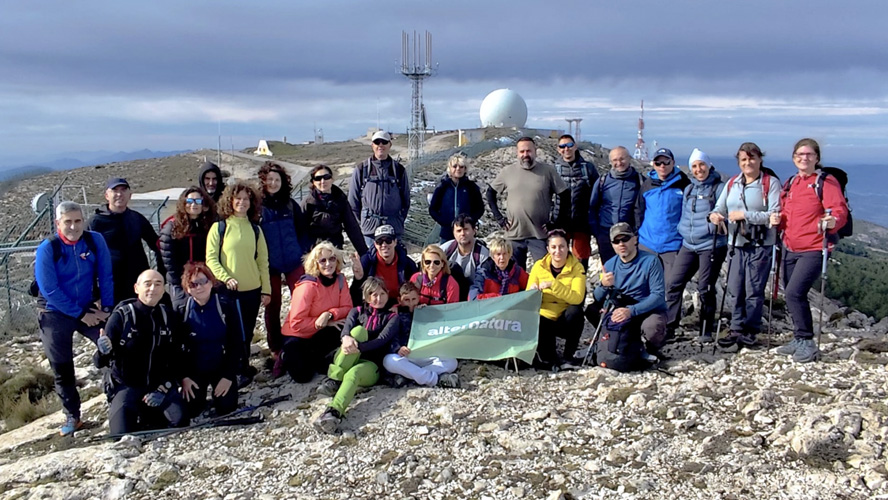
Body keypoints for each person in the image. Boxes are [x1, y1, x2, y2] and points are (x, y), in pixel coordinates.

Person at [35, 201, 115, 436]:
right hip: (55, 311)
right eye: (67, 222)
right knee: (62, 366)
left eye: (78, 221)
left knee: (113, 348)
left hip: (88, 307)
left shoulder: (94, 240)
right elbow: (49, 289)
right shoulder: (48, 248)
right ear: (58, 223)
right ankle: (73, 416)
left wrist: (107, 309)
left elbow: (106, 274)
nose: (73, 226)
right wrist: (81, 314)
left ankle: (118, 401)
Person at [772, 138, 849, 363]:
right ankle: (799, 337)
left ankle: (807, 341)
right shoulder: (791, 183)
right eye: (800, 154)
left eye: (809, 154)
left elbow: (839, 209)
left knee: (796, 292)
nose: (804, 158)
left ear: (816, 158)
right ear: (794, 157)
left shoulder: (825, 181)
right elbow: (788, 211)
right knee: (791, 293)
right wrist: (778, 219)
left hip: (815, 247)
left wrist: (834, 220)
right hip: (790, 245)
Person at [95, 270, 187, 435]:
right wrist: (102, 351)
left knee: (180, 420)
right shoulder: (122, 316)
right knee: (120, 434)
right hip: (126, 385)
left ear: (163, 289)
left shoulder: (168, 316)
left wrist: (164, 387)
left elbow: (176, 358)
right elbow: (99, 362)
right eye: (148, 284)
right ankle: (138, 411)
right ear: (136, 288)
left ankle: (148, 413)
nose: (153, 288)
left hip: (157, 385)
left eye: (158, 284)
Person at [709, 142, 781, 348]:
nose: (748, 162)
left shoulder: (770, 184)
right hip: (735, 244)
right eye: (743, 159)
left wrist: (745, 215)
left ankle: (750, 330)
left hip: (760, 245)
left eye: (752, 158)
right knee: (734, 288)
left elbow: (774, 214)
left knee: (753, 290)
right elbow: (719, 207)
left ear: (760, 160)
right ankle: (736, 328)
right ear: (739, 162)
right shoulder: (732, 183)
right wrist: (714, 215)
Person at [313, 277, 401, 434]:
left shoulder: (392, 317)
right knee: (357, 331)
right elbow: (345, 330)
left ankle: (333, 412)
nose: (378, 298)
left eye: (382, 294)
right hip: (348, 356)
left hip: (371, 364)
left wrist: (357, 347)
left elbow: (382, 340)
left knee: (353, 374)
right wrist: (346, 338)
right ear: (366, 296)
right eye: (373, 294)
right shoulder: (356, 311)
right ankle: (335, 379)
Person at [205, 181, 271, 385]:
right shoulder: (219, 227)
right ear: (230, 201)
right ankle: (232, 370)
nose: (242, 202)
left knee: (247, 331)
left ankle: (243, 367)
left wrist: (266, 289)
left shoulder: (255, 229)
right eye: (238, 199)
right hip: (229, 291)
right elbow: (211, 259)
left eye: (246, 199)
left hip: (252, 290)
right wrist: (226, 278)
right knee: (233, 333)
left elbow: (262, 261)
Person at [665, 149, 727, 342]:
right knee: (674, 283)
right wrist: (682, 229)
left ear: (709, 166)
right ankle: (669, 327)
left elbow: (725, 214)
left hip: (711, 244)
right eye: (694, 166)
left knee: (705, 287)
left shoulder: (719, 188)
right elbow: (685, 213)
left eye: (702, 165)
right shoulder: (689, 189)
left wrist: (711, 226)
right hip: (688, 243)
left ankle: (706, 330)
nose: (699, 169)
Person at [486, 137, 569, 270]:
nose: (526, 155)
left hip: (539, 234)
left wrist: (555, 222)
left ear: (535, 151)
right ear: (517, 153)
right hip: (514, 234)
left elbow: (564, 195)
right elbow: (490, 193)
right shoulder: (507, 172)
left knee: (544, 271)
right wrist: (499, 218)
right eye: (522, 151)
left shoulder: (548, 171)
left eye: (529, 151)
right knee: (514, 275)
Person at [589, 223, 667, 363]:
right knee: (591, 310)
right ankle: (612, 340)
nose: (621, 244)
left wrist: (631, 310)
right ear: (612, 244)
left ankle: (651, 349)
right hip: (621, 308)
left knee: (653, 327)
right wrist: (603, 285)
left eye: (625, 239)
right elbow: (597, 298)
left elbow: (658, 295)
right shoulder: (610, 264)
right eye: (616, 241)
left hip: (646, 309)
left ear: (635, 239)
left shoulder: (651, 261)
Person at [258, 162, 307, 377]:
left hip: (294, 261)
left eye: (277, 180)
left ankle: (300, 339)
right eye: (269, 179)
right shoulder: (258, 207)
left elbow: (303, 231)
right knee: (273, 305)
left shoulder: (290, 205)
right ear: (263, 182)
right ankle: (276, 348)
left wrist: (303, 252)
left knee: (302, 300)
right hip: (270, 266)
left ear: (283, 182)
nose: (273, 183)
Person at [281, 242, 352, 383]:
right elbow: (296, 323)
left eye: (332, 259)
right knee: (303, 377)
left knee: (345, 327)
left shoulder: (340, 280)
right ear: (315, 264)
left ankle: (319, 361)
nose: (328, 264)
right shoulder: (307, 286)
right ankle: (285, 357)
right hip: (298, 336)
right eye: (322, 260)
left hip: (323, 330)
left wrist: (329, 315)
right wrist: (320, 322)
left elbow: (348, 307)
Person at [89, 177, 165, 305]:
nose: (119, 194)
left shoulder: (136, 218)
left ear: (130, 195)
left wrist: (161, 275)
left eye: (123, 190)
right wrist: (95, 294)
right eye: (115, 190)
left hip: (138, 289)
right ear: (107, 195)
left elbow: (158, 246)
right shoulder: (95, 222)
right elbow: (86, 259)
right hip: (109, 289)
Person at [178, 263, 240, 418]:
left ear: (212, 282)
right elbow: (176, 349)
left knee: (227, 407)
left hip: (220, 365)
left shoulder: (225, 306)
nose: (199, 287)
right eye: (193, 284)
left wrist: (228, 376)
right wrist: (184, 377)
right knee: (192, 410)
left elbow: (236, 343)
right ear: (187, 288)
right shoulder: (181, 311)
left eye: (203, 281)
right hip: (195, 369)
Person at [382, 281, 460, 388]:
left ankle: (410, 376)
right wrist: (397, 348)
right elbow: (391, 335)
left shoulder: (425, 310)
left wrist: (426, 315)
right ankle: (434, 379)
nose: (411, 303)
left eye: (414, 299)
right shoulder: (395, 315)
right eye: (407, 300)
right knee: (389, 361)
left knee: (451, 362)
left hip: (425, 354)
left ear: (418, 298)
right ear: (400, 300)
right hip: (406, 355)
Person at [527, 229, 586, 370]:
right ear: (548, 249)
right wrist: (532, 292)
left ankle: (568, 355)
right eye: (553, 247)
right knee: (548, 359)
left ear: (568, 247)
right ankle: (550, 358)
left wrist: (554, 285)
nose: (557, 251)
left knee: (576, 312)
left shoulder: (577, 268)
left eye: (561, 246)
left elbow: (577, 298)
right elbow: (528, 300)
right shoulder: (538, 266)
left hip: (564, 318)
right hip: (544, 318)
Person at [158, 186, 217, 313]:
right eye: (190, 201)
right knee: (181, 311)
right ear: (184, 204)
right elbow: (169, 261)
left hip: (204, 278)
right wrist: (183, 283)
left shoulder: (209, 225)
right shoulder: (172, 227)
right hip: (179, 281)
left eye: (198, 201)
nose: (194, 205)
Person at [348, 131, 411, 247]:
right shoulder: (361, 169)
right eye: (377, 142)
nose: (380, 145)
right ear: (372, 145)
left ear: (390, 145)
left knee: (395, 263)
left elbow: (406, 200)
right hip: (370, 232)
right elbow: (353, 202)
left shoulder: (399, 170)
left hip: (394, 229)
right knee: (370, 263)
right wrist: (364, 221)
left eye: (384, 142)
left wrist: (398, 219)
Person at [635, 148, 691, 279]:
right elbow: (638, 210)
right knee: (645, 286)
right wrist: (636, 235)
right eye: (658, 163)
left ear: (673, 162)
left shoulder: (683, 184)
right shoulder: (647, 184)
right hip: (647, 244)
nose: (662, 166)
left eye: (666, 162)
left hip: (672, 246)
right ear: (653, 164)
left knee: (670, 289)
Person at [552, 134, 599, 271]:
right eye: (562, 146)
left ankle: (580, 290)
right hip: (560, 223)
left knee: (581, 261)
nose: (566, 149)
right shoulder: (554, 169)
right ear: (558, 149)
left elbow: (597, 194)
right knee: (560, 259)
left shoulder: (588, 168)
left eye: (569, 145)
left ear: (575, 146)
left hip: (582, 223)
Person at [588, 146, 641, 266]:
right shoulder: (603, 181)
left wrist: (637, 232)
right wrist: (597, 232)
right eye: (615, 160)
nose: (619, 163)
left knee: (629, 269)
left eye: (622, 159)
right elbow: (592, 207)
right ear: (610, 162)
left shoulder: (639, 180)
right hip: (606, 233)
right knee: (609, 270)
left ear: (629, 159)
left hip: (629, 235)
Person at [301, 164, 369, 255]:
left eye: (326, 177)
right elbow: (300, 230)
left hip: (335, 250)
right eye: (318, 178)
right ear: (313, 182)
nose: (322, 181)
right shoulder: (308, 202)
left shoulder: (340, 199)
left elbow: (352, 227)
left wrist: (364, 253)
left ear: (332, 179)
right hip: (315, 253)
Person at [350, 225, 418, 307]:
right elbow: (355, 295)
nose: (384, 245)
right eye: (379, 241)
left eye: (388, 240)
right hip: (375, 305)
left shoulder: (407, 263)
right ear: (375, 244)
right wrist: (358, 279)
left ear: (395, 242)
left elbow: (415, 292)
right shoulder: (366, 261)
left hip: (399, 305)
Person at [428, 153, 485, 242]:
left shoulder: (471, 187)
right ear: (449, 168)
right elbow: (433, 209)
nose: (458, 169)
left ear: (465, 169)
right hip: (447, 234)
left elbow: (480, 208)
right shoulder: (442, 187)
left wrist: (470, 222)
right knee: (446, 255)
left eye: (461, 167)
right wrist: (443, 222)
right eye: (455, 166)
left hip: (466, 233)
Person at [440, 215, 489, 300]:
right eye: (459, 231)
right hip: (449, 292)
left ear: (474, 231)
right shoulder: (446, 249)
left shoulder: (483, 254)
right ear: (453, 233)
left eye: (466, 229)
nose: (462, 234)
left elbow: (482, 282)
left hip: (473, 294)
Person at [474, 236, 529, 300]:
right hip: (490, 308)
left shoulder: (517, 271)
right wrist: (498, 298)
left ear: (510, 254)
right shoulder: (483, 273)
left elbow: (529, 287)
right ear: (493, 256)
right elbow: (474, 297)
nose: (502, 258)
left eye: (505, 254)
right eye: (498, 254)